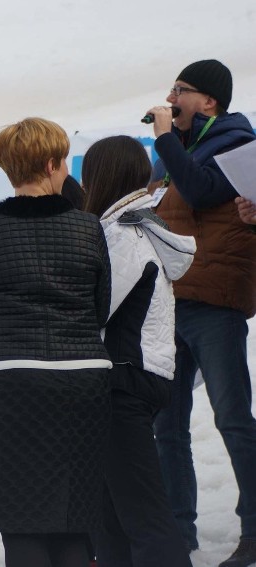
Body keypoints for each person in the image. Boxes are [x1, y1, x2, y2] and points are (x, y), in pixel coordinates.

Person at [0, 117, 112, 567]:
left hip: (14, 382)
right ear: (50, 165)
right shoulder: (87, 227)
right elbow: (100, 310)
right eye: (63, 163)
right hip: (83, 381)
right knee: (78, 517)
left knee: (22, 518)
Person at [145, 59, 256, 565]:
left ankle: (253, 530)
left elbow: (202, 190)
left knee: (232, 419)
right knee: (167, 425)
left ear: (209, 101)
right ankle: (177, 536)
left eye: (181, 90)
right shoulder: (178, 149)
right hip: (170, 303)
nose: (170, 98)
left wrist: (167, 139)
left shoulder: (236, 140)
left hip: (214, 304)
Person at [82, 135, 195, 567]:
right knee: (111, 520)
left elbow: (96, 308)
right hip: (130, 379)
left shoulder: (124, 234)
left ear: (102, 176)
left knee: (144, 519)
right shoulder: (128, 227)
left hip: (123, 382)